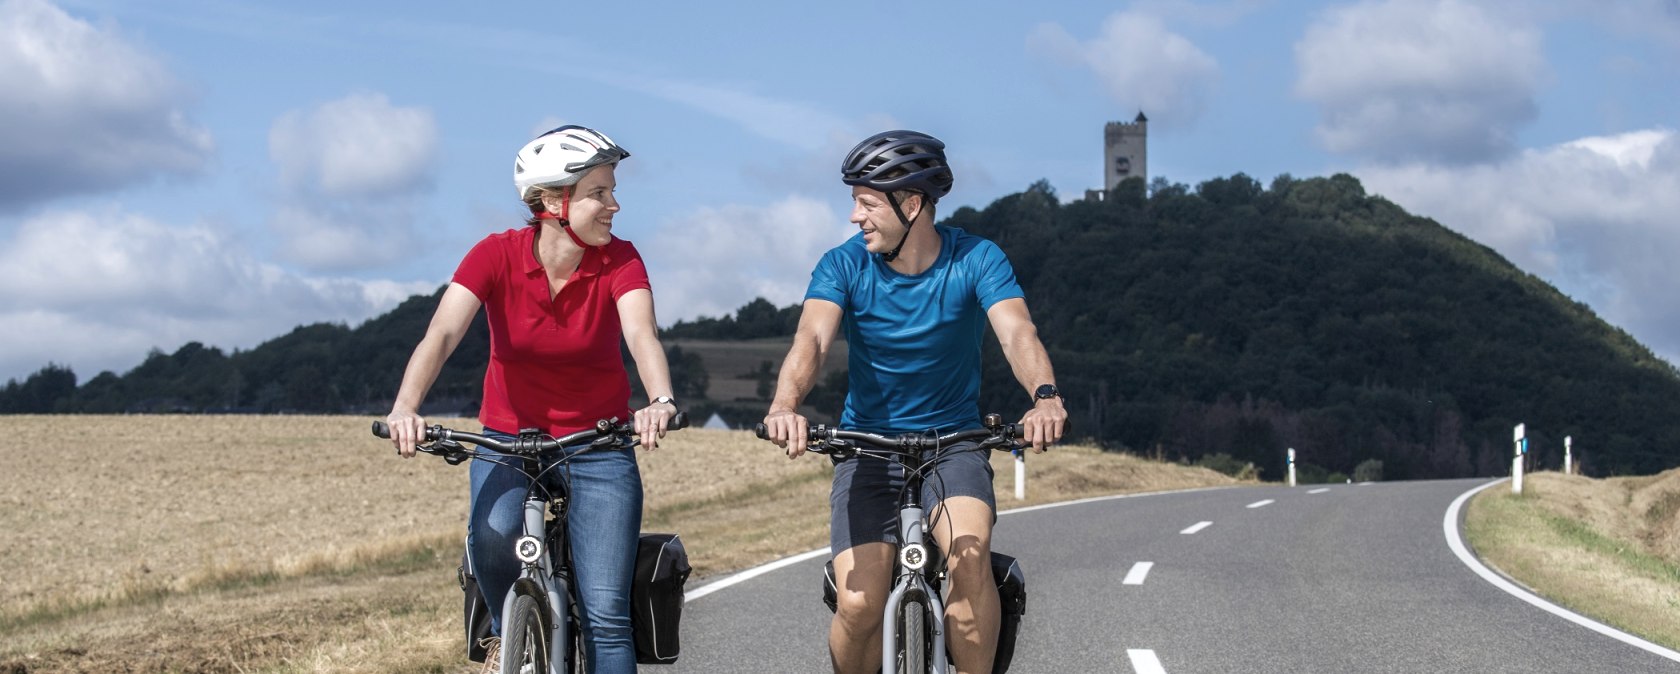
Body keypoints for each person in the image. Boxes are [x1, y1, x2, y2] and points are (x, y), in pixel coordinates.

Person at [760, 129, 1068, 674]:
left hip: (953, 446)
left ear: (913, 204)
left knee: (970, 559)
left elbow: (1017, 332)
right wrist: (785, 405)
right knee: (858, 603)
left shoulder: (977, 258)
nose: (855, 216)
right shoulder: (843, 264)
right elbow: (810, 340)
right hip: (868, 448)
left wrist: (1044, 397)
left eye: (867, 202)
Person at [383, 124, 679, 674]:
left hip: (599, 443)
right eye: (599, 193)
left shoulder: (621, 260)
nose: (614, 204)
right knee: (493, 537)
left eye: (612, 189)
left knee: (607, 614)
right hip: (509, 439)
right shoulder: (495, 255)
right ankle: (506, 635)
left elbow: (641, 335)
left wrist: (659, 398)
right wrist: (407, 406)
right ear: (550, 200)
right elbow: (443, 334)